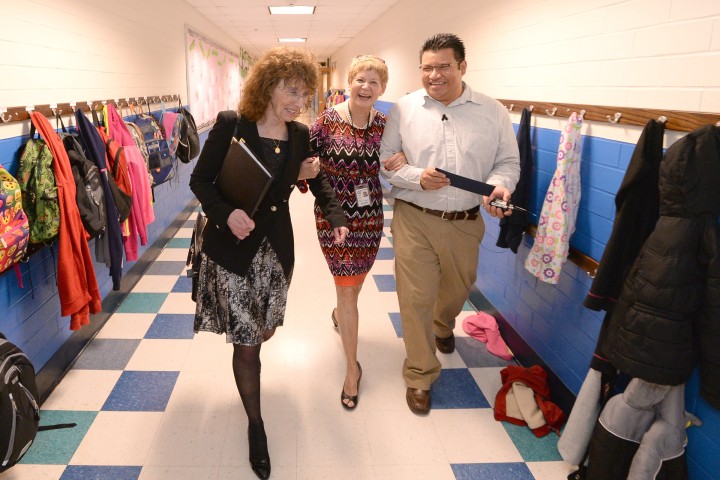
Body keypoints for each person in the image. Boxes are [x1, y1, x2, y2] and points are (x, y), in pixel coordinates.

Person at [189, 47, 349, 479]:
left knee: (266, 328)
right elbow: (200, 180)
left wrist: (335, 216)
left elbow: (319, 181)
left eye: (304, 93)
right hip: (233, 250)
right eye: (291, 90)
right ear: (267, 87)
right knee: (247, 343)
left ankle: (253, 385)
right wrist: (225, 213)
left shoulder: (299, 135)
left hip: (276, 252)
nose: (298, 101)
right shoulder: (231, 125)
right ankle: (255, 426)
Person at [379, 33, 520, 415]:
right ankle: (420, 374)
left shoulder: (492, 111)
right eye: (427, 67)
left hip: (465, 221)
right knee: (415, 298)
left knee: (458, 289)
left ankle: (445, 323)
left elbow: (507, 163)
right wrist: (415, 177)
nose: (434, 75)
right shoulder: (404, 109)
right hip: (414, 218)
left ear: (462, 67)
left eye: (443, 66)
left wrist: (500, 188)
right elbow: (386, 159)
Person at [309, 55, 406, 410]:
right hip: (334, 220)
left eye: (374, 82)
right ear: (348, 82)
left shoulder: (385, 124)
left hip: (369, 219)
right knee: (347, 286)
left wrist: (402, 159)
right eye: (360, 80)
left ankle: (340, 313)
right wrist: (303, 170)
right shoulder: (326, 121)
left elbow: (399, 158)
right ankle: (353, 369)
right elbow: (305, 166)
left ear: (383, 89)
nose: (366, 87)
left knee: (354, 285)